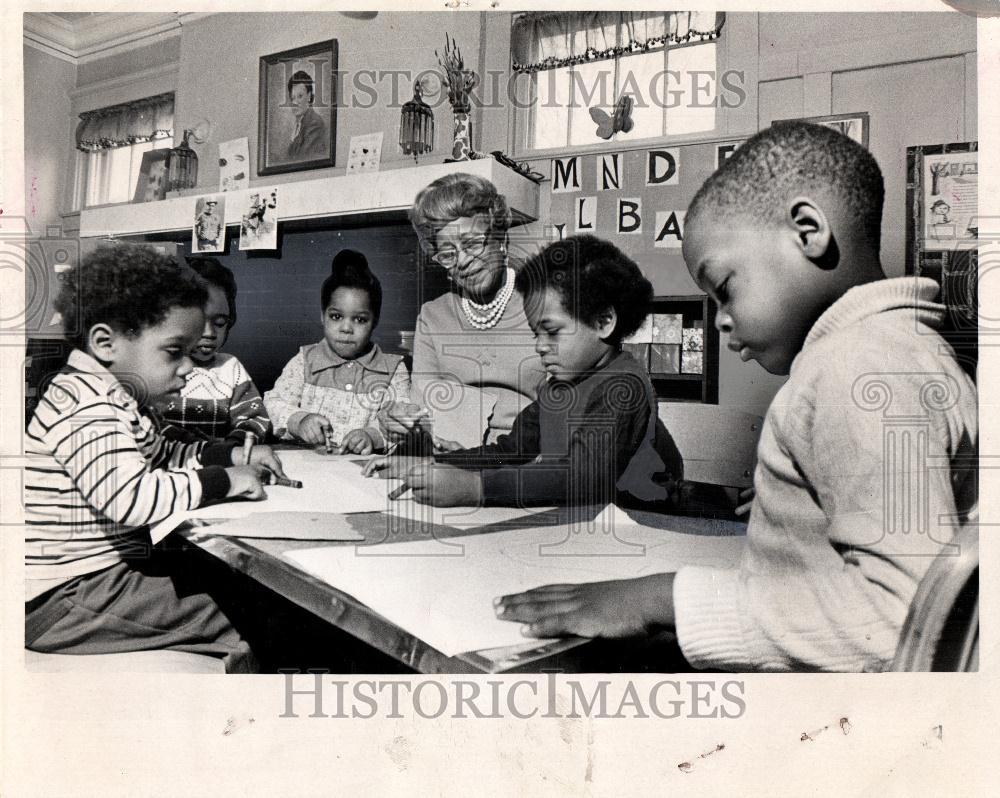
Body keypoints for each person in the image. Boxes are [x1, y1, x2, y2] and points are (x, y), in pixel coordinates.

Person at [494, 121, 978, 672]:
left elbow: (899, 620)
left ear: (808, 231)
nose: (721, 321)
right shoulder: (902, 351)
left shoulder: (860, 365)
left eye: (724, 289)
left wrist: (664, 598)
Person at [23, 245, 286, 672]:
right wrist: (225, 479)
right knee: (244, 613)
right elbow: (131, 498)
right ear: (105, 343)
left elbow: (164, 455)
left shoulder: (118, 397)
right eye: (173, 351)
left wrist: (231, 452)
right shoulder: (83, 404)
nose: (188, 367)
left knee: (229, 584)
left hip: (94, 581)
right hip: (63, 598)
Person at [389, 235, 680, 509]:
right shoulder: (559, 388)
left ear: (603, 321)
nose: (540, 347)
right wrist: (435, 463)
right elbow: (510, 452)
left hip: (642, 524)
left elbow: (581, 477)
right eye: (535, 334)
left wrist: (475, 488)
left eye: (552, 332)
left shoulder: (623, 387)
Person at [376, 173, 546, 466]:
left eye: (473, 243)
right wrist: (398, 423)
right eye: (447, 253)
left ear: (501, 239)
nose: (463, 261)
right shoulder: (433, 316)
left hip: (527, 464)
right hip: (450, 462)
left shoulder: (546, 306)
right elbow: (424, 415)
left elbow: (565, 419)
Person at [264, 250, 410, 454]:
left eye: (359, 319)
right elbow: (273, 402)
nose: (346, 328)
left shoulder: (393, 369)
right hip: (305, 465)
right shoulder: (305, 360)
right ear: (323, 316)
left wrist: (372, 436)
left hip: (361, 473)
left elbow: (402, 422)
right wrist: (300, 421)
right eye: (336, 317)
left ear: (374, 321)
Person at [156, 257, 271, 442]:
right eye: (198, 322)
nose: (209, 333)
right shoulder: (154, 369)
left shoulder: (230, 368)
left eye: (219, 323)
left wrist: (234, 445)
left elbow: (255, 420)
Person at [286, 69, 326, 161]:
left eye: (300, 96)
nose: (295, 102)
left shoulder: (315, 123)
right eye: (292, 98)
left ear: (309, 96)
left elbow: (302, 160)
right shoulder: (298, 124)